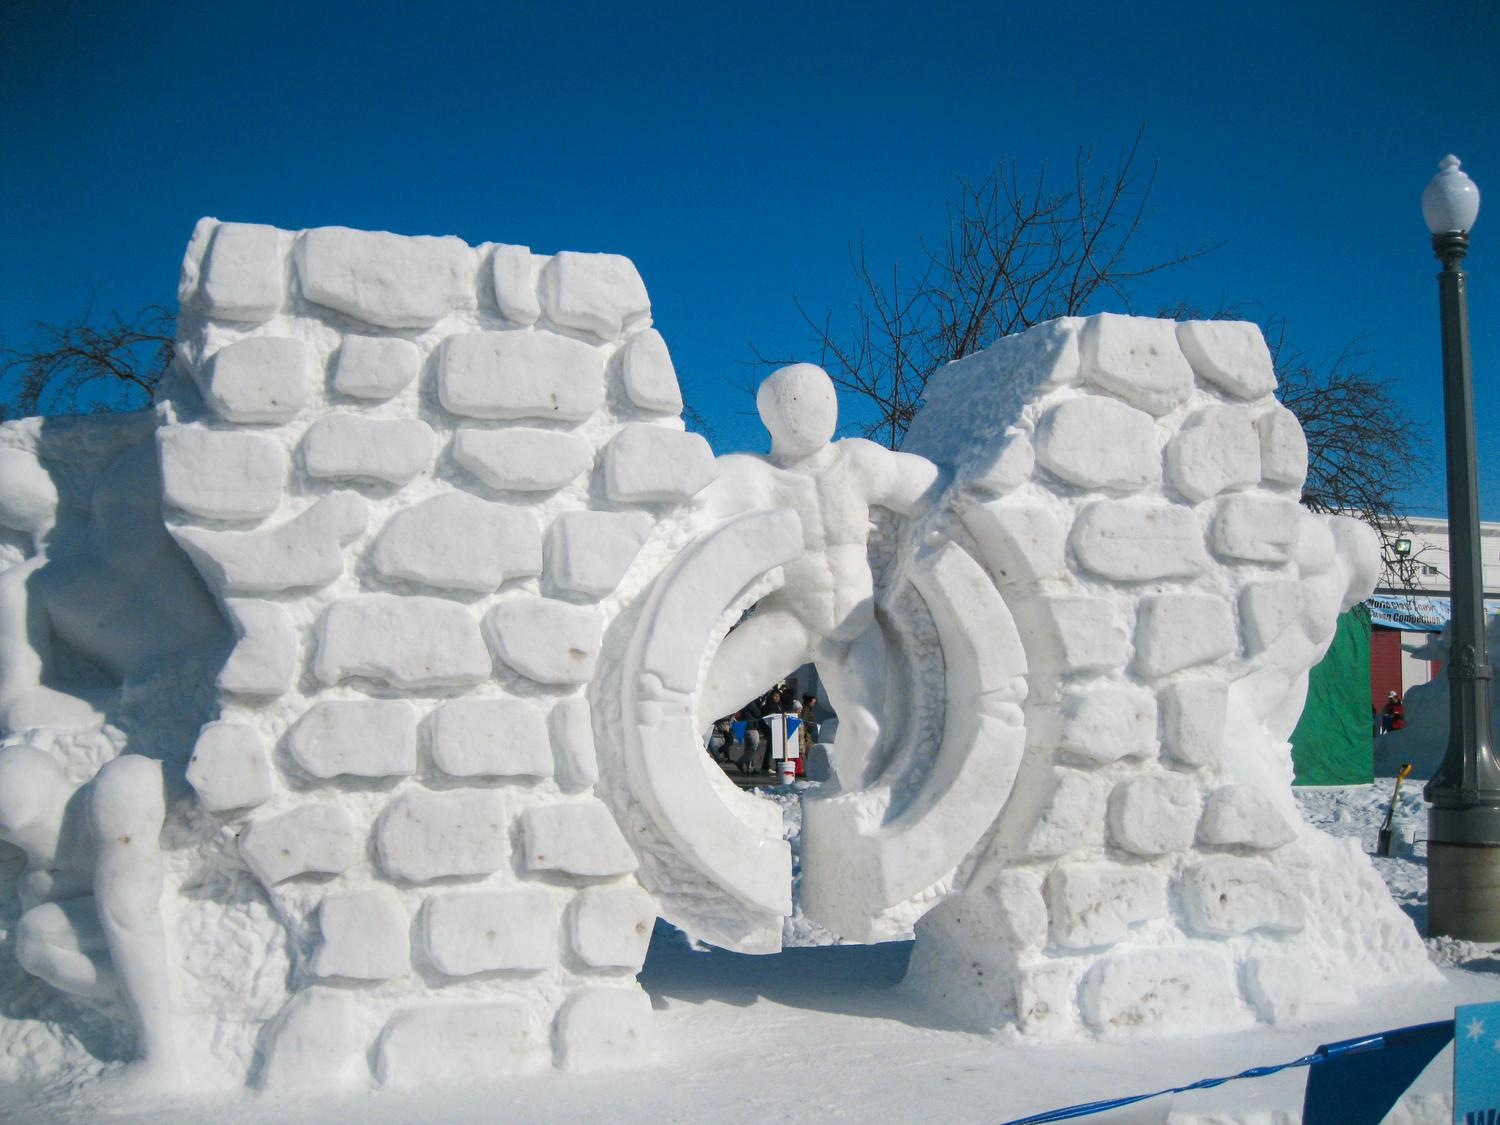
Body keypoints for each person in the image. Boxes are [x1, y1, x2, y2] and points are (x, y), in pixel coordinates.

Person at [698, 363, 943, 788]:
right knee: (696, 703)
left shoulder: (857, 463)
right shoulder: (757, 477)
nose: (806, 412)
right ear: (769, 416)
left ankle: (857, 819)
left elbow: (926, 487)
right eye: (792, 403)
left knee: (870, 729)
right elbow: (693, 497)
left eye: (817, 400)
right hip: (787, 621)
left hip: (854, 624)